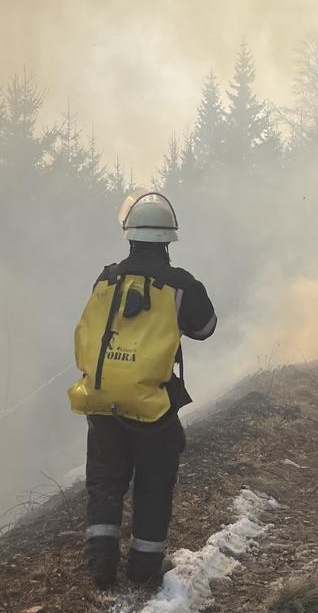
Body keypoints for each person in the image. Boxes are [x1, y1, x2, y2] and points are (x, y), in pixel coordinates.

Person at [67, 192, 217, 587]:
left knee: (104, 480)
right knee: (153, 483)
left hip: (101, 400)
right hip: (153, 405)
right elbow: (205, 328)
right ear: (168, 240)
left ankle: (100, 567)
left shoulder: (107, 277)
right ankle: (144, 570)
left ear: (130, 235)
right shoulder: (181, 284)